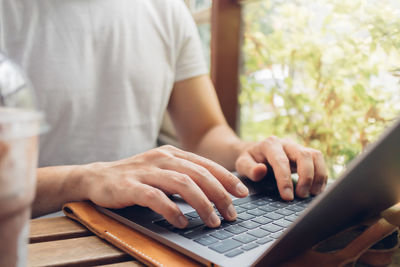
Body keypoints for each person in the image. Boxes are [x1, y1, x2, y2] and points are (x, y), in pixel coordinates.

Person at [0, 0, 328, 229]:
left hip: (153, 230)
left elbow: (204, 132)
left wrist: (246, 153)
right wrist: (87, 178)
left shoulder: (167, 9)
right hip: (32, 238)